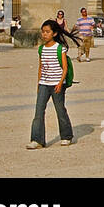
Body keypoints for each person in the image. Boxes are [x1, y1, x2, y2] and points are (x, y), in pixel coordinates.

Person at [28, 19, 75, 148]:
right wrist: (38, 83)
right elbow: (41, 67)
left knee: (60, 110)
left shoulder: (60, 49)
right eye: (43, 32)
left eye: (47, 32)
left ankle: (66, 136)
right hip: (44, 83)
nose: (44, 34)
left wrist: (60, 83)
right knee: (38, 111)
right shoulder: (41, 49)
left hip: (57, 84)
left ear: (54, 33)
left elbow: (64, 68)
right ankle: (37, 140)